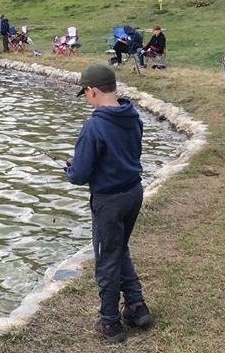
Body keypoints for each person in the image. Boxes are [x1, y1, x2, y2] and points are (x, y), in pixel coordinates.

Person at [65, 63, 153, 343]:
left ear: (91, 90)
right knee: (119, 248)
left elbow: (79, 175)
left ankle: (110, 322)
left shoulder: (94, 125)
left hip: (109, 201)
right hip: (133, 192)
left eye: (86, 92)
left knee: (106, 258)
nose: (87, 98)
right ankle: (137, 307)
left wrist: (70, 168)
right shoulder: (133, 115)